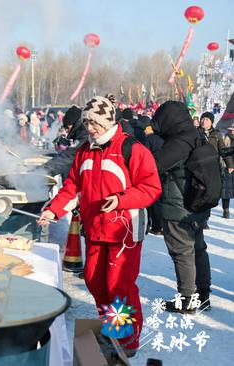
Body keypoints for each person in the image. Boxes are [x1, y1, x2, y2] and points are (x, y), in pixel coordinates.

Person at [38, 96, 161, 357]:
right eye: (87, 123)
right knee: (95, 281)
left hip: (124, 231)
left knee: (119, 285)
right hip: (95, 228)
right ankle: (111, 326)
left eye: (94, 123)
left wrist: (121, 200)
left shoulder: (131, 148)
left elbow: (151, 188)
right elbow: (73, 187)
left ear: (107, 121)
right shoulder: (85, 150)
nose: (90, 128)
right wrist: (52, 210)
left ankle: (124, 338)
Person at [151, 101, 212, 313]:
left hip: (180, 206)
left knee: (182, 252)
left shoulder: (178, 142)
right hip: (199, 204)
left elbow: (154, 165)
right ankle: (203, 295)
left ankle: (187, 299)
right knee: (198, 249)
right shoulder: (196, 135)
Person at [198, 112, 234, 218]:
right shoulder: (196, 133)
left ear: (211, 122)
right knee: (200, 192)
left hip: (212, 168)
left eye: (207, 120)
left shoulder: (216, 134)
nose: (204, 121)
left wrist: (230, 164)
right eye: (203, 119)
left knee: (209, 193)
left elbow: (223, 150)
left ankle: (205, 217)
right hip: (198, 167)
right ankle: (201, 218)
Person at [44, 106, 88, 181]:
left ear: (73, 123)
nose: (66, 130)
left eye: (67, 127)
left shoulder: (84, 135)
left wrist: (42, 172)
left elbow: (68, 157)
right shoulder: (81, 133)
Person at [222, 123, 234, 218]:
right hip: (228, 166)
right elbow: (223, 153)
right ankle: (226, 210)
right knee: (226, 190)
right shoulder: (226, 138)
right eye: (231, 129)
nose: (232, 130)